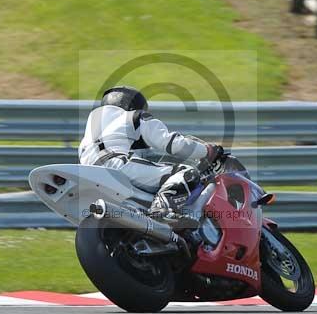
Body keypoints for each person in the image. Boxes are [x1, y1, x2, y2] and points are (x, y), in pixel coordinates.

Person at [79, 85, 224, 223]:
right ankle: (161, 209)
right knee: (186, 173)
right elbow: (171, 143)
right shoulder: (134, 116)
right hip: (116, 164)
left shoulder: (94, 127)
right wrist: (206, 150)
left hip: (87, 172)